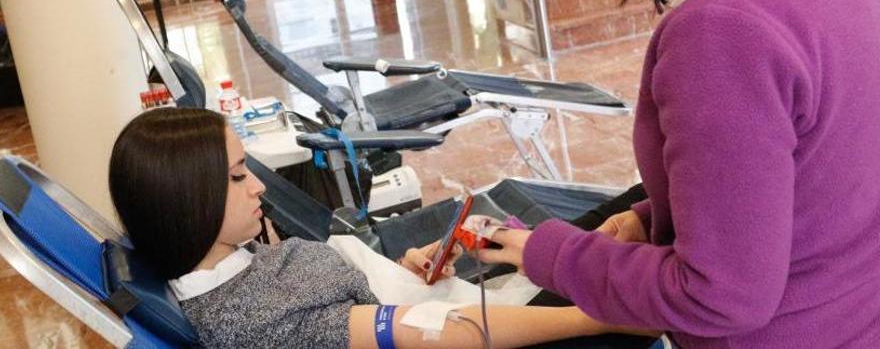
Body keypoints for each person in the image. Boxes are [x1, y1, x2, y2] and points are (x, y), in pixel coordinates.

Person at [479, 0, 880, 348]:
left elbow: (717, 295)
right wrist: (659, 217)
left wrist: (552, 255)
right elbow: (822, 175)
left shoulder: (724, 30)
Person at [108, 108, 652, 348]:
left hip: (448, 299)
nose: (258, 187)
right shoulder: (257, 321)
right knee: (648, 231)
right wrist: (599, 317)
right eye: (236, 176)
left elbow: (360, 310)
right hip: (496, 326)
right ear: (188, 200)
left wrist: (402, 271)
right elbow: (454, 332)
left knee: (634, 209)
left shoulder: (235, 259)